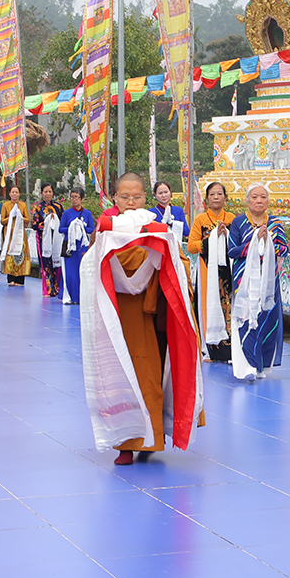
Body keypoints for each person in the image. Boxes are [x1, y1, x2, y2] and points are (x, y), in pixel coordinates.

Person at [82, 173, 204, 466]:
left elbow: (178, 264)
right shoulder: (107, 228)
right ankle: (125, 445)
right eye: (125, 197)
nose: (131, 203)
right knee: (120, 377)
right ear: (115, 198)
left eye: (137, 197)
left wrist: (163, 267)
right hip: (118, 315)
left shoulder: (157, 229)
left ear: (144, 199)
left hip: (149, 314)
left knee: (149, 376)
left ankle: (151, 438)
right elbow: (93, 265)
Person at [225, 183, 288, 379]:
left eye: (263, 197)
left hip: (268, 281)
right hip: (244, 281)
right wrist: (254, 241)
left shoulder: (275, 224)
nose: (259, 200)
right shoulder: (239, 222)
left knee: (267, 320)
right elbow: (232, 250)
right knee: (245, 319)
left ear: (268, 201)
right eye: (254, 197)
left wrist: (267, 242)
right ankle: (247, 366)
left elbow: (284, 249)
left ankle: (261, 365)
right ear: (247, 201)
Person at [186, 181, 235, 362]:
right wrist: (212, 238)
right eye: (212, 194)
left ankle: (230, 349)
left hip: (227, 271)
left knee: (229, 306)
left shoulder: (232, 219)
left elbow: (237, 242)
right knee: (208, 306)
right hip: (207, 271)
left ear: (225, 197)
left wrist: (226, 234)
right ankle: (210, 349)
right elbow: (191, 246)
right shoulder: (200, 220)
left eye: (219, 194)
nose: (216, 197)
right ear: (206, 199)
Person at [58, 187, 93, 306]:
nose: (74, 200)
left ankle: (81, 297)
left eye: (76, 197)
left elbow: (91, 229)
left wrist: (81, 227)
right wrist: (72, 227)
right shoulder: (67, 213)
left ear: (82, 199)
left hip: (82, 246)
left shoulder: (87, 213)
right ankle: (70, 296)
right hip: (70, 246)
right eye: (72, 197)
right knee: (70, 273)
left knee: (81, 271)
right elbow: (60, 229)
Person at [31, 182, 64, 298]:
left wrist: (55, 223)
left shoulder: (58, 207)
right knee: (46, 263)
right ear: (41, 193)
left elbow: (63, 222)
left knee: (57, 263)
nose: (48, 194)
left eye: (50, 191)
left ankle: (58, 288)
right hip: (43, 239)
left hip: (56, 240)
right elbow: (34, 224)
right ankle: (48, 289)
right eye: (45, 192)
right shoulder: (38, 208)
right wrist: (47, 224)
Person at [0, 183, 32, 286]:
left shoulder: (23, 205)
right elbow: (2, 221)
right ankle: (11, 279)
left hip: (20, 235)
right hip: (9, 235)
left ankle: (20, 279)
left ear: (19, 194)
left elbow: (27, 220)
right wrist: (11, 217)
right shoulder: (5, 205)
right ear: (9, 194)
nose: (14, 194)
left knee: (20, 255)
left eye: (16, 192)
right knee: (10, 255)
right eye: (13, 192)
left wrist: (19, 216)